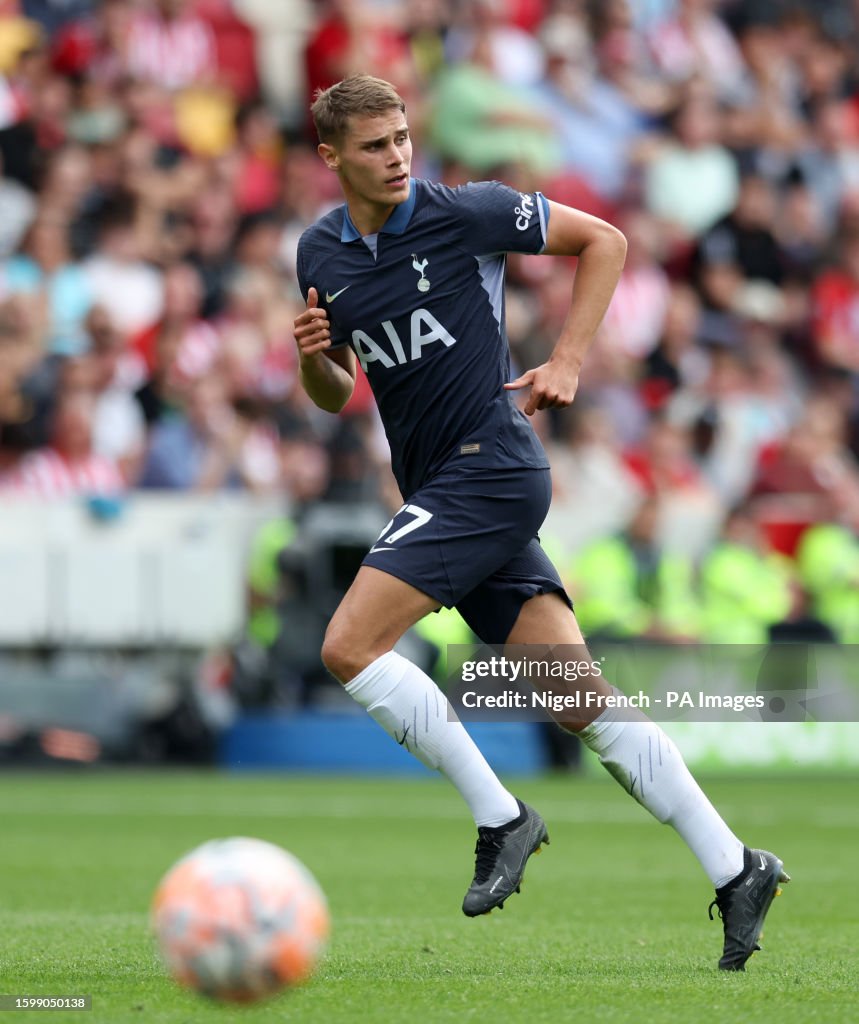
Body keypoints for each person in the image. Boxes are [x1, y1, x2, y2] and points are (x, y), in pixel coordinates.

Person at [292, 74, 788, 971]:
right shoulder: (320, 254)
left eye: (402, 135)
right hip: (443, 483)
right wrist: (317, 363)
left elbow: (605, 240)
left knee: (347, 648)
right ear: (332, 157)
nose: (397, 154)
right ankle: (736, 865)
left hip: (491, 469)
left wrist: (566, 358)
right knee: (578, 702)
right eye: (374, 145)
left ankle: (502, 816)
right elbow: (338, 395)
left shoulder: (467, 212)